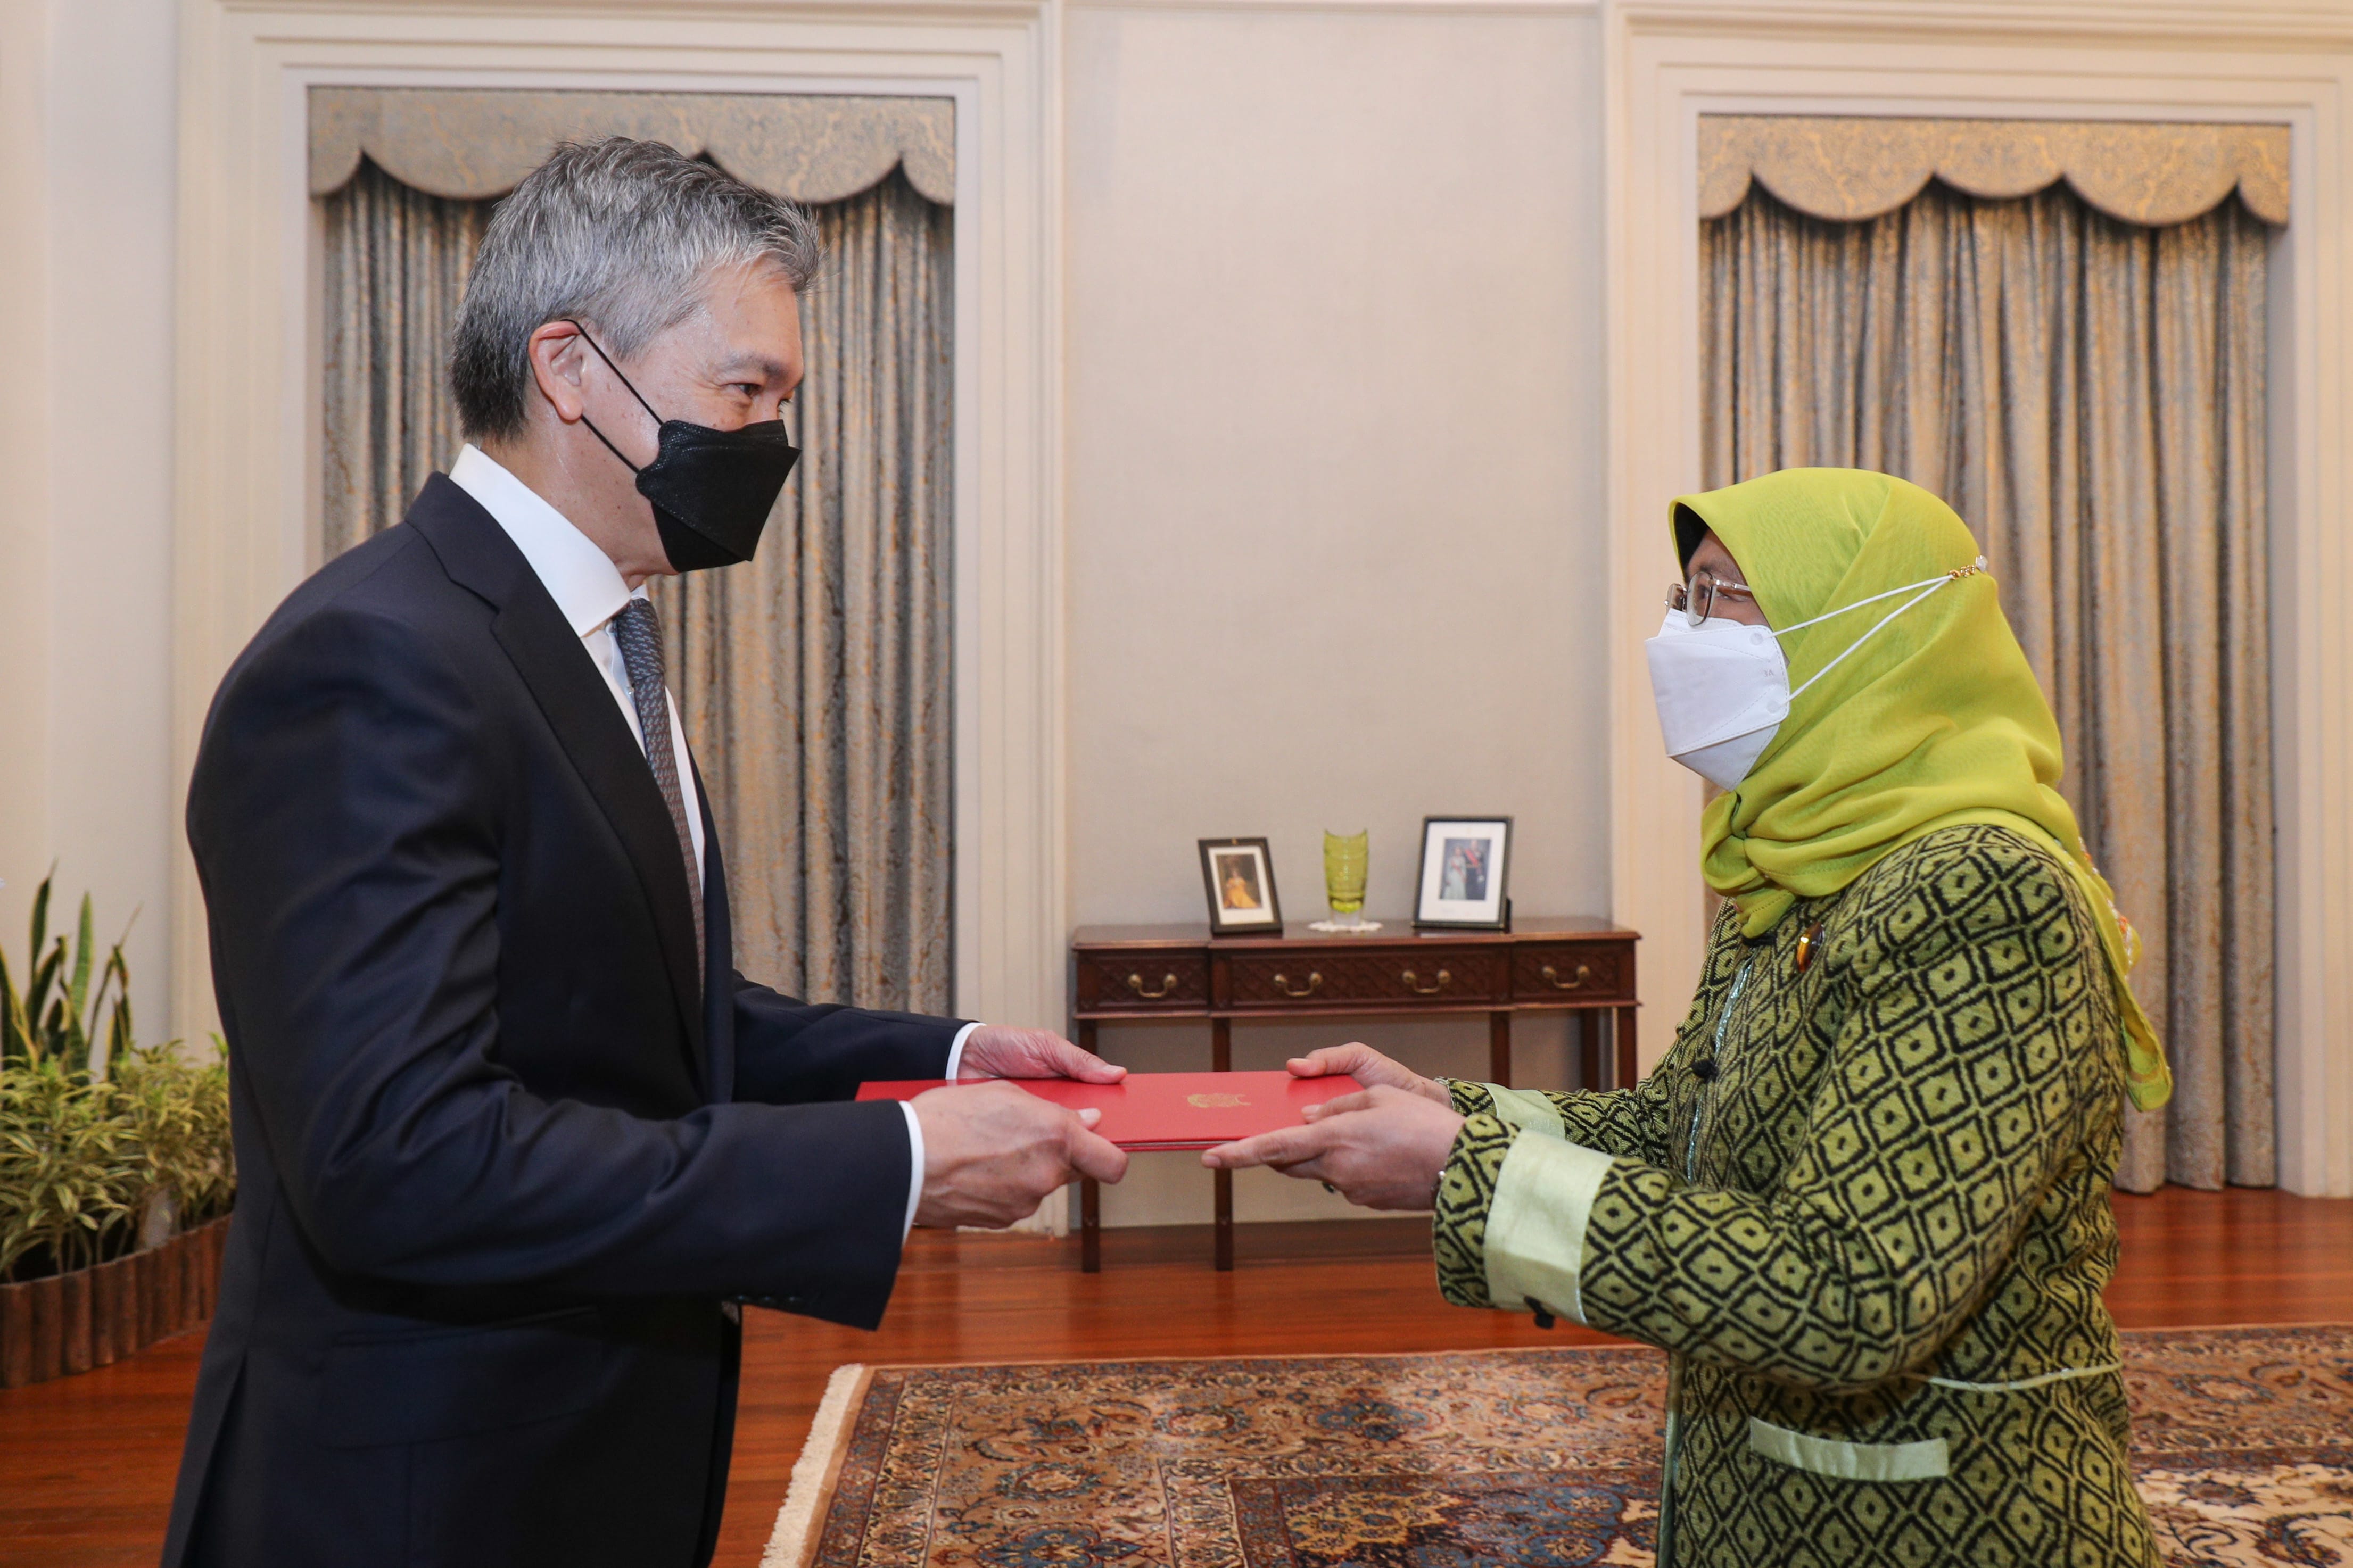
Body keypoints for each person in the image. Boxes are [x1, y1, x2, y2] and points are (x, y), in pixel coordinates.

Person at [163, 138, 1128, 1568]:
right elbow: (401, 1158)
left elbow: (647, 1014)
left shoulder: (591, 628)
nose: (769, 442)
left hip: (584, 1446)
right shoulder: (373, 661)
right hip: (420, 1492)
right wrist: (894, 1160)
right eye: (745, 390)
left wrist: (947, 1053)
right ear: (571, 369)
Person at [1205, 468, 2172, 1567]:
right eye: (1684, 597)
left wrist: (1466, 1175)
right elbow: (1680, 1131)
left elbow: (1854, 1292)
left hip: (1947, 1526)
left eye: (1721, 597)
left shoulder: (1983, 889)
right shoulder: (1793, 868)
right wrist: (1450, 1112)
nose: (1682, 634)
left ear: (1858, 631)